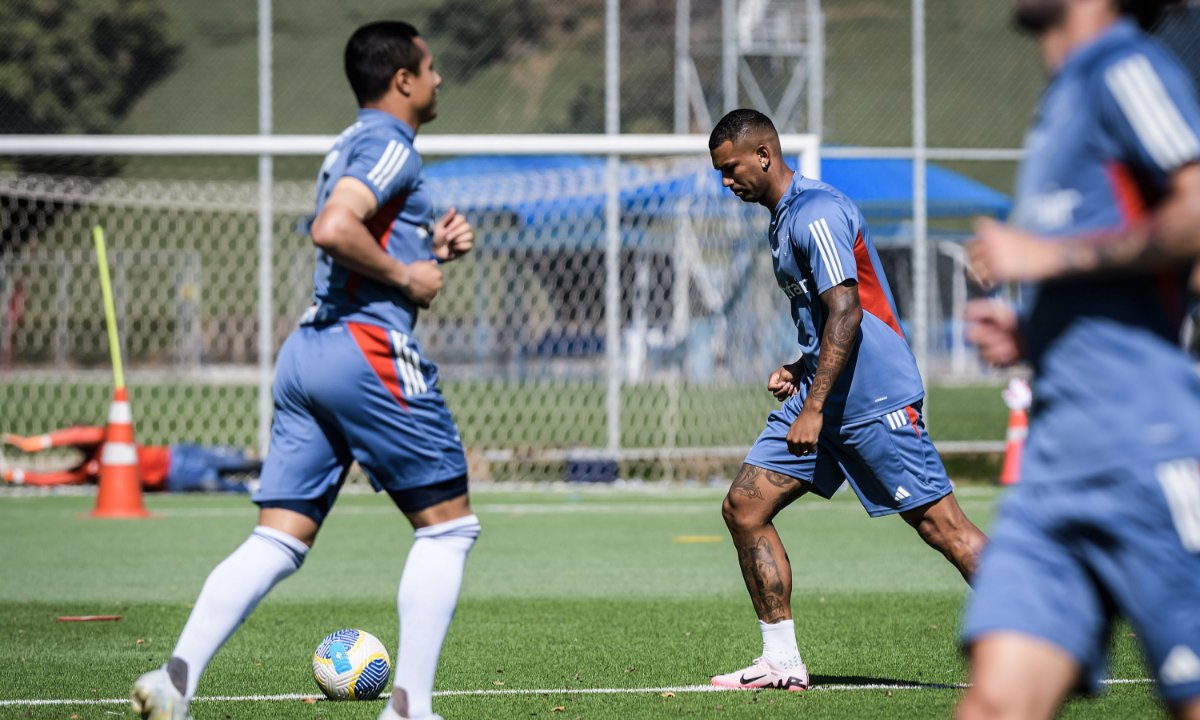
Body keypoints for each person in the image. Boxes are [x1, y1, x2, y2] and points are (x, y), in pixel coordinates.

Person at [130, 21, 478, 720]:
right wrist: (410, 280)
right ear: (404, 80)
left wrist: (427, 255)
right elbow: (333, 228)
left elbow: (358, 240)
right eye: (431, 68)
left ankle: (175, 679)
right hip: (363, 350)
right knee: (447, 528)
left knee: (278, 536)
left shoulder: (349, 143)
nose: (439, 80)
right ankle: (410, 710)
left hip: (310, 353)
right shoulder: (388, 143)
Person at [956, 0, 1200, 718]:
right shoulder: (1062, 96)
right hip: (1056, 470)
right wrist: (1039, 335)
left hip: (1146, 452)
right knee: (994, 706)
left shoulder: (1125, 67)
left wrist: (1045, 258)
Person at [706, 109, 988, 692]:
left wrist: (813, 406)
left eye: (731, 169)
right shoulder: (782, 220)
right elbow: (822, 319)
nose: (726, 182)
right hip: (824, 392)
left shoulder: (817, 212)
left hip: (871, 399)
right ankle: (781, 659)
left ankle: (1043, 640)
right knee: (744, 508)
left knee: (944, 529)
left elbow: (847, 310)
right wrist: (800, 368)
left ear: (764, 154)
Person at [2, 427, 259, 493]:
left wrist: (38, 442)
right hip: (173, 479)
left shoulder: (106, 438)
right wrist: (18, 475)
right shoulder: (93, 469)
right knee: (221, 485)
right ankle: (255, 488)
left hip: (176, 455)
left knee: (235, 462)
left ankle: (268, 465)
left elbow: (83, 433)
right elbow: (57, 479)